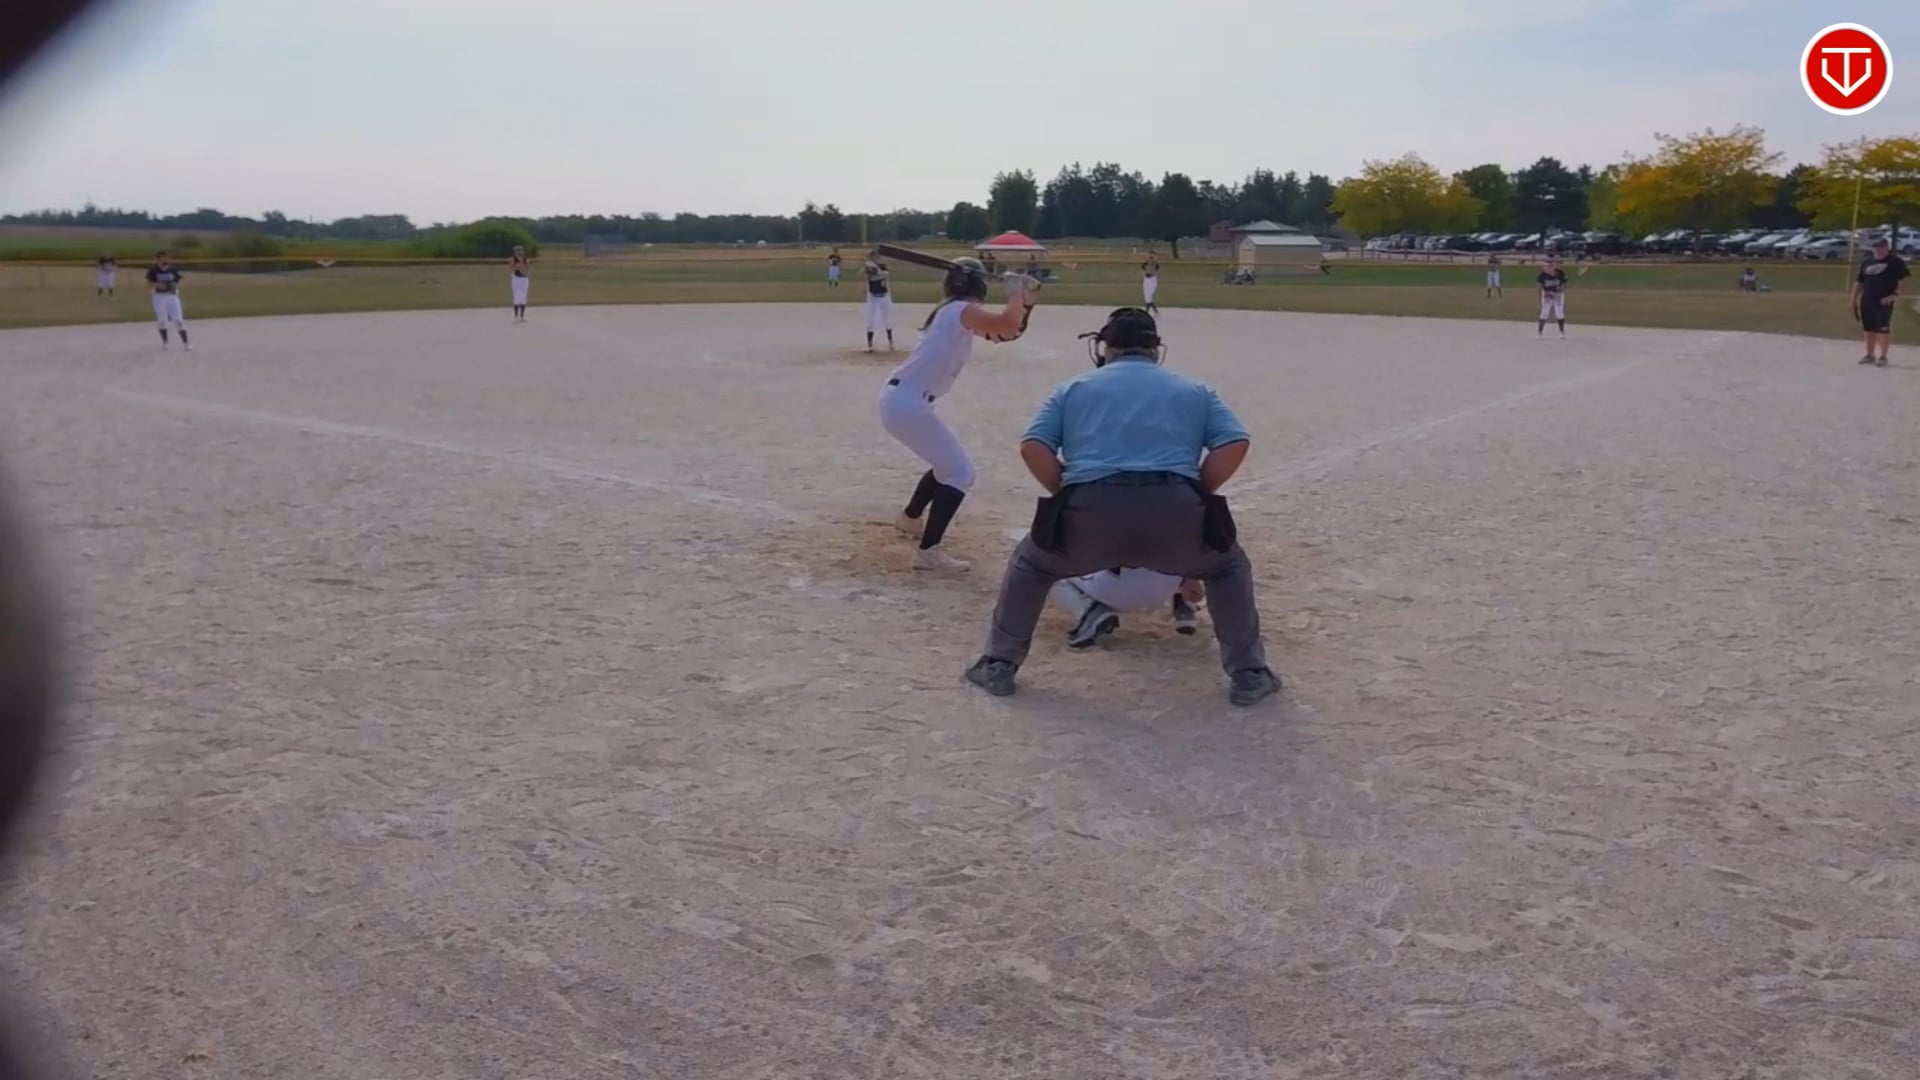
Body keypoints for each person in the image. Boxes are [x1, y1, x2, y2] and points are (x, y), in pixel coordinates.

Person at [964, 307, 1281, 706]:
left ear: (1105, 348)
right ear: (1156, 349)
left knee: (1033, 565)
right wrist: (1199, 490)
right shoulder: (1194, 390)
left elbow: (1033, 447)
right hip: (1175, 512)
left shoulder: (1073, 388)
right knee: (1226, 567)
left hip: (1090, 512)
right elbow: (1235, 442)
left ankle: (999, 663)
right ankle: (1249, 673)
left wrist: (1066, 492)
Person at [880, 259, 1038, 574]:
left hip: (904, 400)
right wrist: (1014, 295)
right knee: (961, 473)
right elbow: (1007, 325)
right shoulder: (961, 310)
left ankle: (910, 519)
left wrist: (1025, 303)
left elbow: (1005, 334)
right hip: (907, 402)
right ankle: (928, 553)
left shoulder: (955, 312)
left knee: (947, 465)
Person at [1054, 569, 1201, 648]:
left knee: (1051, 567)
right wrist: (1190, 577)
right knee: (1184, 532)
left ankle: (1091, 609)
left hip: (1117, 591)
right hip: (1167, 587)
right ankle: (1184, 603)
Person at [1853, 236, 1909, 368]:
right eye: (1876, 248)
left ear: (1887, 248)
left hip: (1884, 302)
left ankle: (1883, 356)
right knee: (1868, 329)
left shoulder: (1895, 262)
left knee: (1883, 329)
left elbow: (1905, 280)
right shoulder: (1867, 262)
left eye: (1882, 247)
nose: (1879, 250)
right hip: (1867, 300)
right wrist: (1853, 299)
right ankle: (1870, 355)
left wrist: (1894, 295)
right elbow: (1859, 282)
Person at [145, 250, 188, 351]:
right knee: (162, 320)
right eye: (163, 258)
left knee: (178, 319)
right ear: (158, 259)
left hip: (172, 296)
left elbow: (180, 280)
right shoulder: (153, 270)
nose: (166, 260)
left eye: (167, 258)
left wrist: (175, 285)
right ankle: (165, 342)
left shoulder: (173, 269)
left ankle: (186, 342)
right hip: (159, 297)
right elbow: (148, 283)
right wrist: (157, 284)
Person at [863, 254, 894, 352]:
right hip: (873, 298)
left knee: (888, 320)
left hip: (885, 298)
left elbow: (881, 275)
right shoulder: (870, 274)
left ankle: (891, 342)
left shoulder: (885, 273)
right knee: (871, 321)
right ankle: (870, 345)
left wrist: (875, 269)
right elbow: (869, 275)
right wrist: (871, 268)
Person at [1537, 256, 1568, 337]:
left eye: (1548, 266)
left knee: (1559, 313)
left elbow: (1564, 285)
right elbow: (1540, 288)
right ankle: (1540, 332)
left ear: (1552, 266)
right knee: (1544, 313)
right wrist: (1540, 300)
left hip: (1558, 295)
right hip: (1547, 295)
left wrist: (1559, 292)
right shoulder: (1542, 276)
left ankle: (1562, 332)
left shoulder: (1560, 273)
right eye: (1545, 266)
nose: (1545, 268)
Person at [508, 245, 531, 322]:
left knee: (523, 296)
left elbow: (527, 271)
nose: (519, 253)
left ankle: (522, 316)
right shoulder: (512, 259)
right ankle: (516, 316)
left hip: (524, 279)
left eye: (520, 251)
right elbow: (511, 270)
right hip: (516, 279)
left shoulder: (526, 260)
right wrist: (516, 267)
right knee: (516, 296)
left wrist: (522, 265)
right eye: (517, 251)